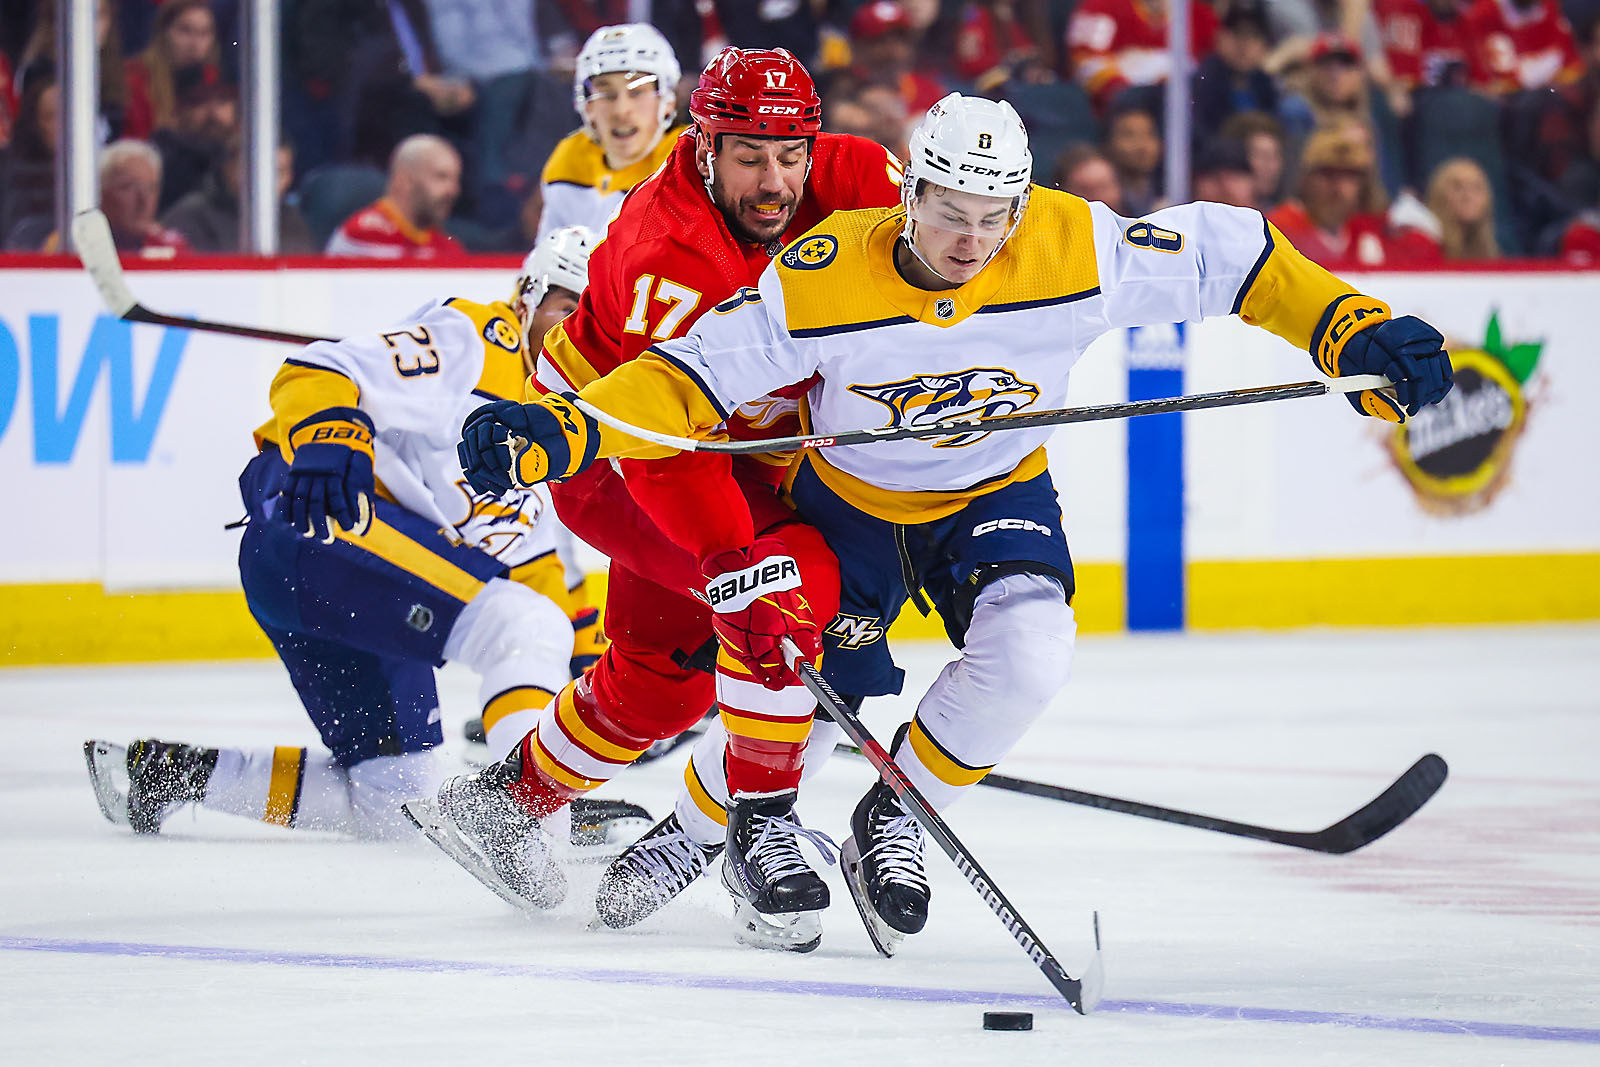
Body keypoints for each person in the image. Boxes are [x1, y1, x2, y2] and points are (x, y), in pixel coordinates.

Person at [455, 92, 1455, 954]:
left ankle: (896, 812)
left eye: (993, 216)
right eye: (949, 214)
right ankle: (702, 826)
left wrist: (1348, 324)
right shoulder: (819, 271)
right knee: (793, 689)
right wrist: (553, 430)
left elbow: (1234, 254)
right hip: (846, 502)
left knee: (1029, 653)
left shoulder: (1072, 245)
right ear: (908, 193)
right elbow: (687, 378)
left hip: (993, 492)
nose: (971, 241)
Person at [403, 47, 905, 954]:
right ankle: (754, 837)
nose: (775, 181)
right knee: (786, 595)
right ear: (703, 144)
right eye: (750, 156)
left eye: (791, 154)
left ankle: (505, 801)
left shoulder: (860, 173)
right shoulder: (666, 256)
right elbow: (664, 447)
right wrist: (732, 569)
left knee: (660, 680)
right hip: (622, 459)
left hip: (740, 452)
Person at [84, 227, 647, 864]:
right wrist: (331, 437)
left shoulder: (571, 430)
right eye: (568, 305)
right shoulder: (473, 339)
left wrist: (594, 675)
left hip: (345, 586)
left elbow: (536, 568)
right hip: (321, 519)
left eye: (600, 316)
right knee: (522, 627)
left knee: (400, 801)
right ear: (526, 297)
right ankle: (531, 820)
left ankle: (170, 776)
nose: (576, 329)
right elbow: (321, 368)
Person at [536, 24, 684, 243]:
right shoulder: (568, 160)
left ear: (668, 101)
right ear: (586, 105)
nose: (621, 110)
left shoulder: (692, 162)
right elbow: (545, 262)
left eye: (637, 92)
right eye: (605, 93)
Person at [161, 130, 316, 254]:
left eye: (278, 172)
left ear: (290, 178)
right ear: (227, 168)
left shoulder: (293, 222)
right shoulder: (188, 217)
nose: (264, 181)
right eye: (252, 169)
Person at [326, 134, 465, 258]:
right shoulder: (365, 235)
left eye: (455, 179)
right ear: (404, 181)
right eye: (441, 177)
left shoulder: (447, 246)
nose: (453, 190)